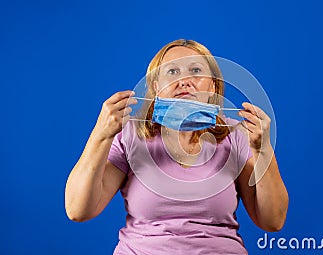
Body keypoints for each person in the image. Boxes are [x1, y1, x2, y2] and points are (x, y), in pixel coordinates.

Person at [65, 39, 289, 254]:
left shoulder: (237, 135)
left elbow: (273, 221)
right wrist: (100, 136)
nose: (184, 80)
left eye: (196, 71)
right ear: (156, 87)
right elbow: (78, 210)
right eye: (172, 72)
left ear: (213, 85)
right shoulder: (130, 136)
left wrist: (263, 150)